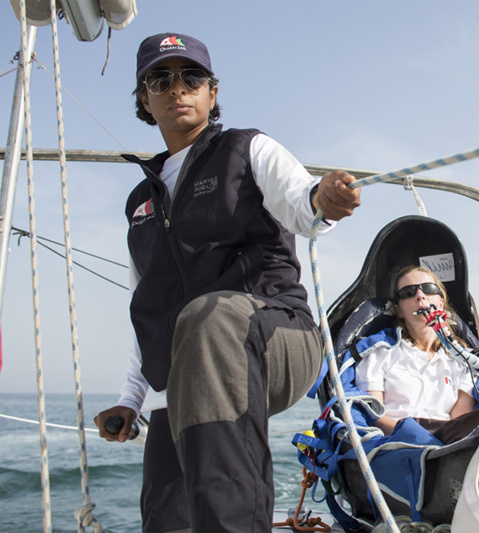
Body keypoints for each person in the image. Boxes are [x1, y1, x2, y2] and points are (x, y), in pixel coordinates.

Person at [93, 33, 361, 532]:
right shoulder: (139, 205)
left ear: (212, 93)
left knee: (209, 318)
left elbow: (301, 200)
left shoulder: (247, 149)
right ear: (144, 100)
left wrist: (324, 201)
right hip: (185, 374)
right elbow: (145, 308)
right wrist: (132, 399)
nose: (178, 89)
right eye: (161, 79)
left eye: (192, 77)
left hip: (278, 338)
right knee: (166, 519)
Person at [355, 265, 479, 441]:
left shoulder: (463, 360)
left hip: (447, 445)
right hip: (395, 443)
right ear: (399, 310)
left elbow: (460, 422)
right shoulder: (378, 354)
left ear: (441, 304)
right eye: (408, 292)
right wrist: (416, 436)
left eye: (428, 289)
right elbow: (375, 416)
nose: (420, 295)